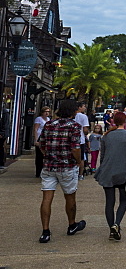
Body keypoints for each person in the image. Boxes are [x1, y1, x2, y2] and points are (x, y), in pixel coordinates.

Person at [36, 98, 87, 243]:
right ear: (73, 111)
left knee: (47, 198)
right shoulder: (74, 126)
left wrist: (48, 155)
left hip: (49, 166)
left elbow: (42, 144)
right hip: (67, 166)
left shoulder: (49, 124)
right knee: (70, 196)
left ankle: (45, 231)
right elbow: (75, 147)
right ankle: (72, 225)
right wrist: (78, 161)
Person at [94, 111, 126, 241]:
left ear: (113, 121)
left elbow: (102, 156)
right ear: (125, 122)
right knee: (124, 200)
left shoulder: (106, 136)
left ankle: (111, 229)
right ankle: (117, 224)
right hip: (124, 171)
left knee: (109, 202)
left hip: (108, 171)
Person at [34, 107, 51, 178]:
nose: (47, 113)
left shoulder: (49, 120)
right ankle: (38, 172)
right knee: (39, 156)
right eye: (45, 111)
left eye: (48, 112)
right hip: (39, 138)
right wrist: (35, 140)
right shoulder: (38, 119)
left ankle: (44, 171)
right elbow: (35, 129)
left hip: (46, 138)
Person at [75, 102, 90, 177]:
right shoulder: (83, 116)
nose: (85, 108)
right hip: (81, 140)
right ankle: (80, 174)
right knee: (81, 158)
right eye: (84, 106)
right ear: (79, 107)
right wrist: (86, 133)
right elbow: (85, 129)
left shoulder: (71, 116)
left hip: (72, 140)